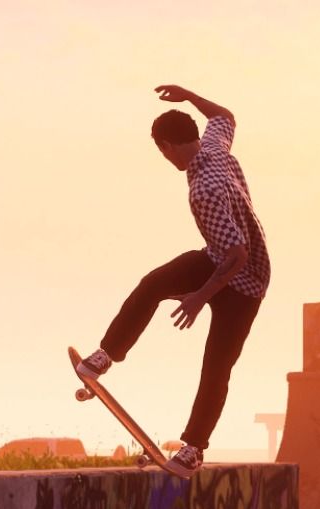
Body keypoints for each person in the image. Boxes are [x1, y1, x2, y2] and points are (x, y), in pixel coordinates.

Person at [75, 84, 271, 476]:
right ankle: (106, 355)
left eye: (162, 151)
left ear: (167, 146)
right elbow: (225, 116)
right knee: (154, 284)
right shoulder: (214, 146)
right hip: (218, 257)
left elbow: (238, 256)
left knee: (217, 364)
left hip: (245, 283)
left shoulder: (204, 189)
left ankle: (194, 447)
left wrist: (200, 296)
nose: (165, 159)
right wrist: (188, 95)